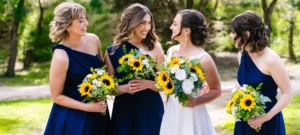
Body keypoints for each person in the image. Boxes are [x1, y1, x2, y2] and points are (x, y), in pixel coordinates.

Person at [44, 2, 111, 135]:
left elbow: (102, 73)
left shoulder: (94, 40)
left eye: (85, 19)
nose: (86, 23)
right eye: (81, 21)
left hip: (98, 112)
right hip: (73, 118)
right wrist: (88, 107)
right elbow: (56, 96)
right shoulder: (61, 56)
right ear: (68, 25)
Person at [104, 3, 165, 135]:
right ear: (131, 22)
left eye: (149, 23)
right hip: (124, 110)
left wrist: (148, 84)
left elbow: (166, 84)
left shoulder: (155, 48)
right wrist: (124, 88)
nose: (146, 27)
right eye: (142, 23)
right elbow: (107, 88)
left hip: (150, 108)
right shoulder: (112, 51)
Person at [229, 11, 293, 135]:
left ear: (246, 35)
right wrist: (218, 90)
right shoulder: (242, 55)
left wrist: (265, 117)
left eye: (233, 32)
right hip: (246, 120)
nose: (230, 35)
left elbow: (288, 93)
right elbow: (244, 88)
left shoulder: (271, 59)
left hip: (268, 121)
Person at [160, 9, 221, 135]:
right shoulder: (171, 52)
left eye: (175, 24)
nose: (171, 27)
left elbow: (216, 90)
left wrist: (196, 101)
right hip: (172, 112)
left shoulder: (204, 58)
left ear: (186, 30)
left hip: (193, 114)